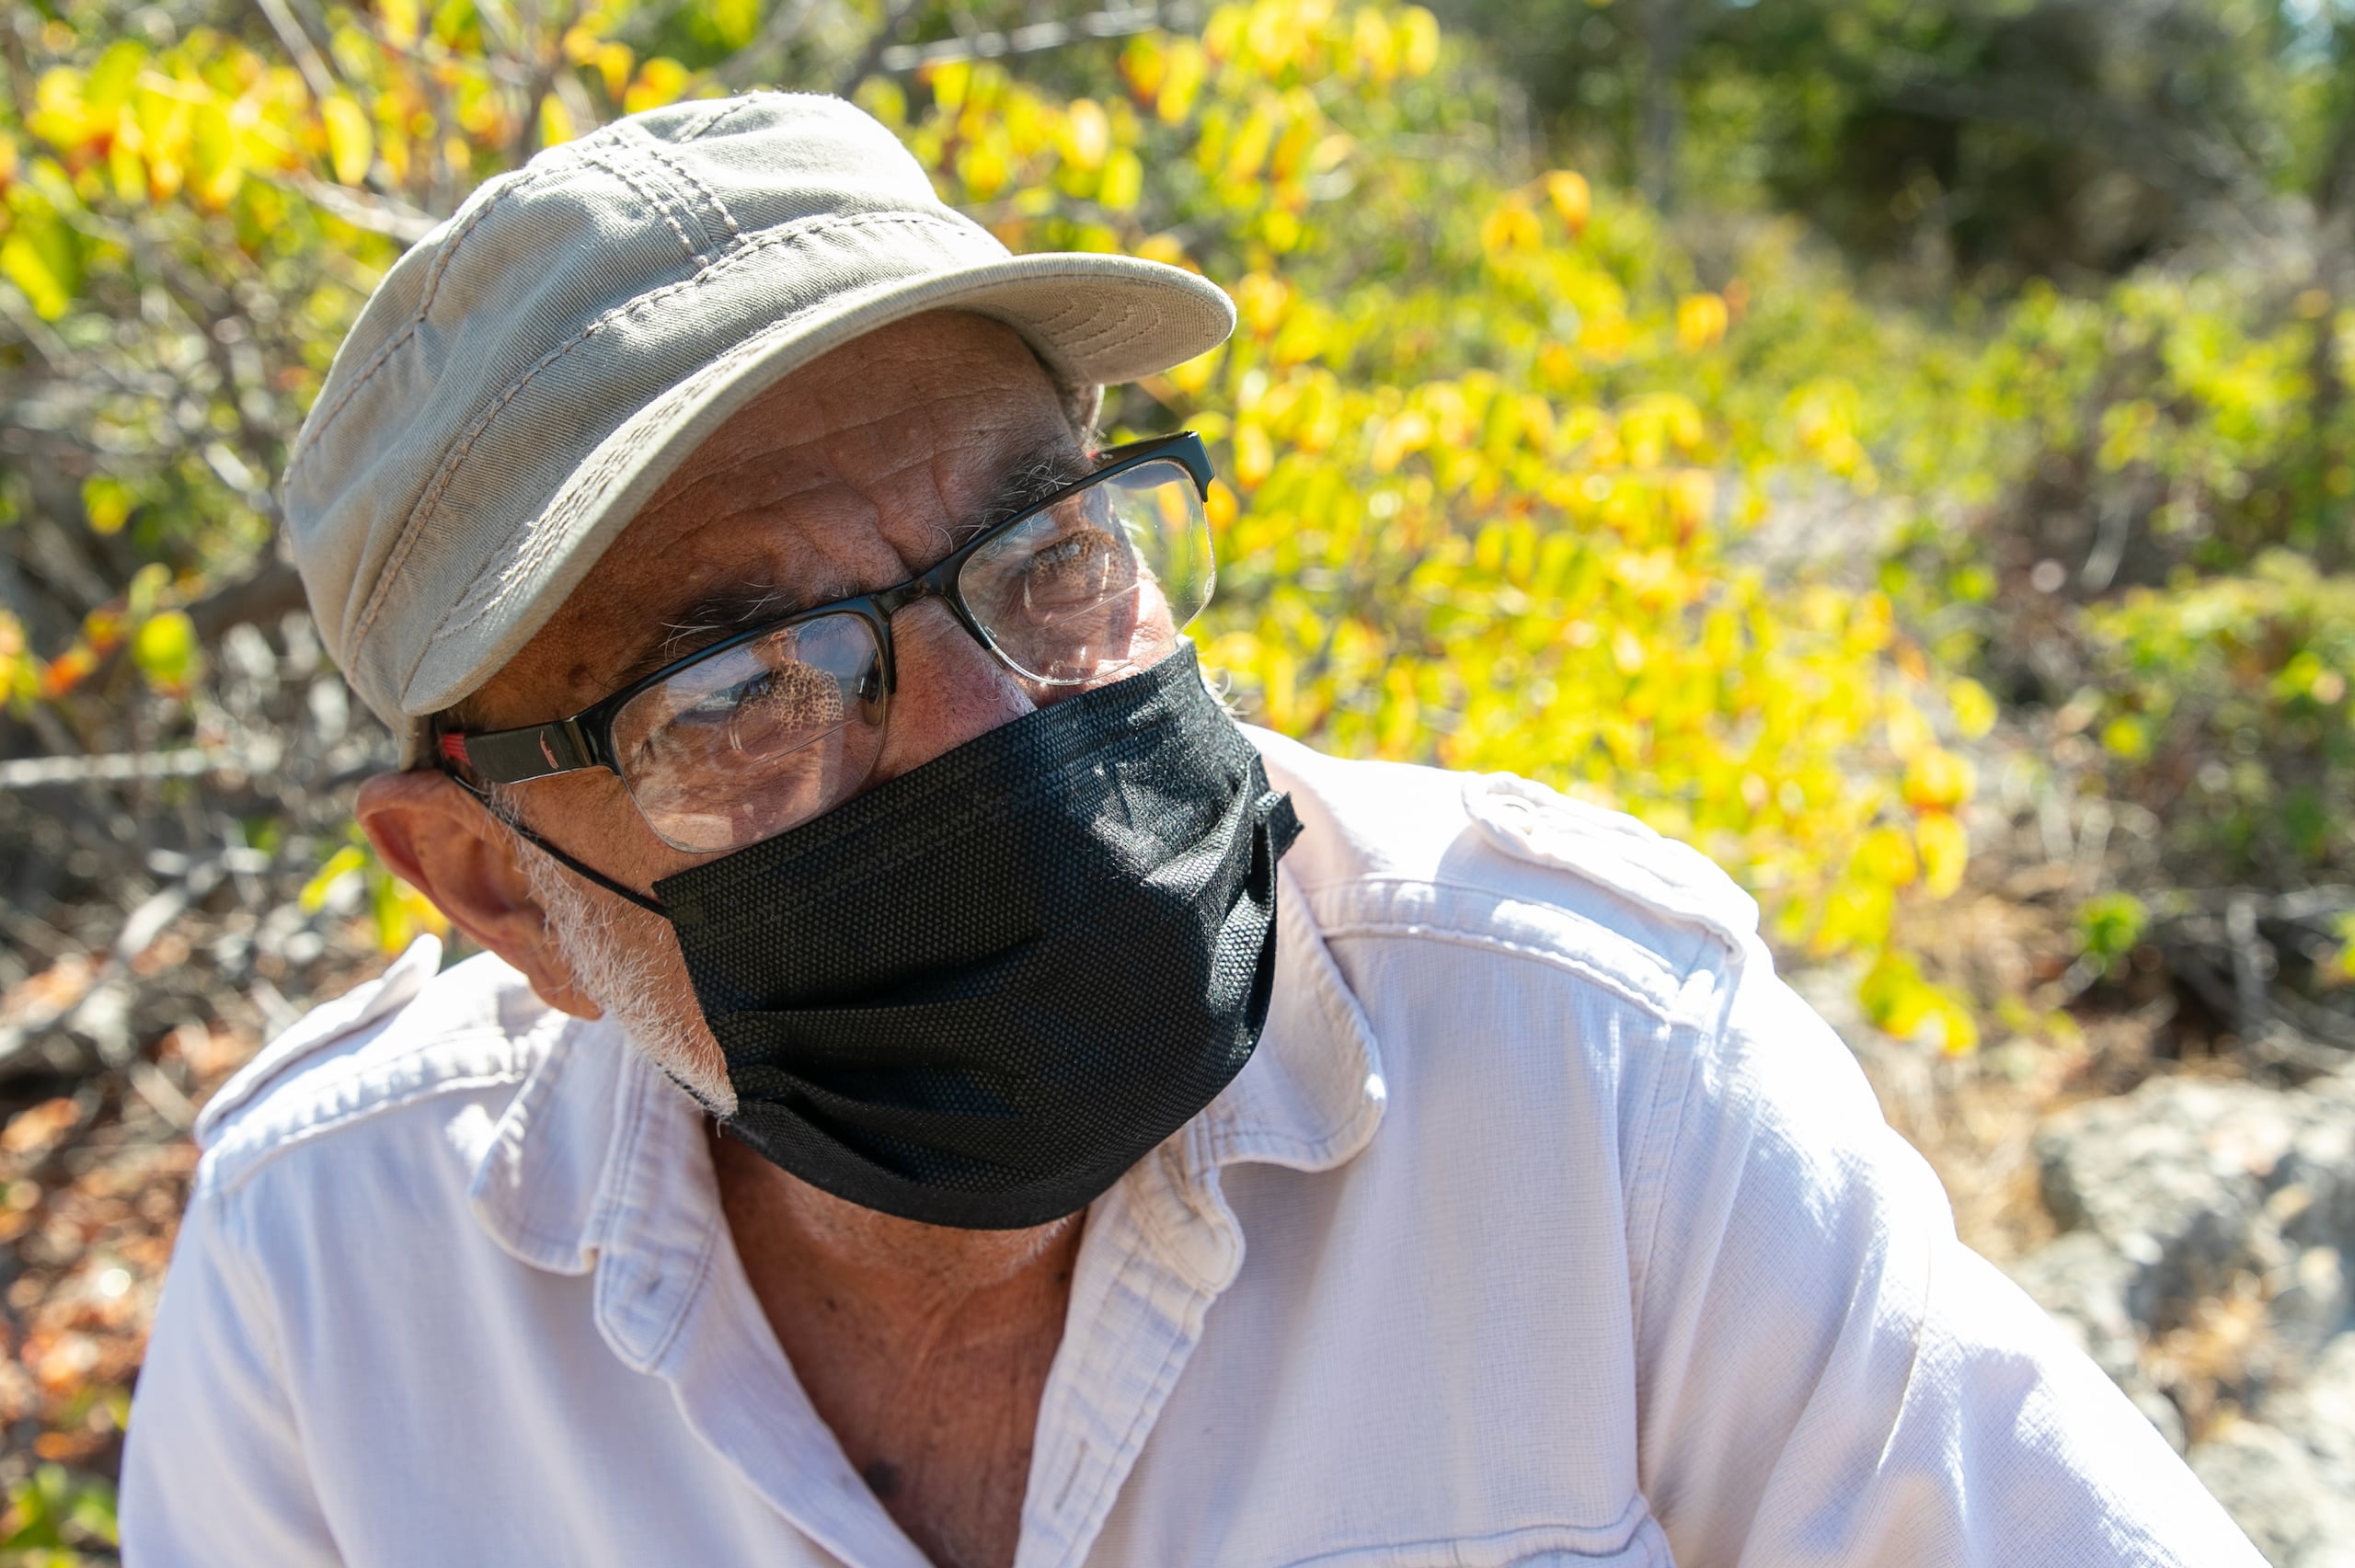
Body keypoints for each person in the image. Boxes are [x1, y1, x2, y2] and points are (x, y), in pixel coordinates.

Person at [120, 92, 2260, 1568]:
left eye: (1049, 549)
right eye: (743, 685)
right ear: (492, 879)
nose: (988, 729)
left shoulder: (1586, 1072)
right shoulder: (340, 1274)